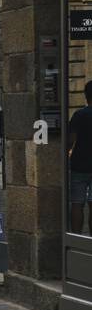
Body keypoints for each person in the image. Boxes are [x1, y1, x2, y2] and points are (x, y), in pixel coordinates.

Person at [68, 82, 92, 234]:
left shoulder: (79, 114)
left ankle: (76, 237)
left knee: (77, 203)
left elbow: (70, 140)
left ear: (86, 96)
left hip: (79, 165)